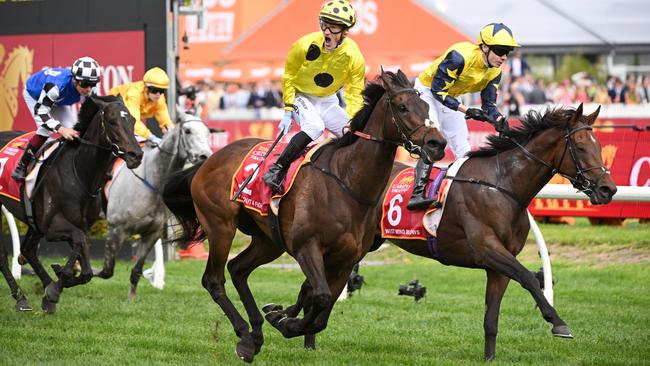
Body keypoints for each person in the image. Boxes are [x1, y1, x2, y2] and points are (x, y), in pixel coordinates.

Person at [408, 23, 519, 210]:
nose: (504, 57)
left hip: (450, 96)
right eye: (500, 51)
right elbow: (437, 91)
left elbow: (489, 105)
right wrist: (466, 110)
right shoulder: (459, 57)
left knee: (464, 150)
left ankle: (466, 196)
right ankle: (416, 195)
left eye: (507, 52)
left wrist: (499, 120)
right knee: (433, 141)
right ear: (484, 47)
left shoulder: (495, 71)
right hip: (427, 91)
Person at [262, 0, 365, 192]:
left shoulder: (353, 55)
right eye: (325, 24)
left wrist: (354, 118)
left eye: (333, 27)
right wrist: (288, 109)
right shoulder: (303, 45)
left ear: (345, 32)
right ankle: (276, 169)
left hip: (328, 101)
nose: (327, 32)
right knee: (315, 127)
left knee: (353, 134)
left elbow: (354, 91)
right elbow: (289, 76)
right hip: (303, 97)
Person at [12, 56, 101, 181]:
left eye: (92, 84)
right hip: (35, 96)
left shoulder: (89, 87)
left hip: (58, 100)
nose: (88, 89)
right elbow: (41, 112)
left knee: (73, 128)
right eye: (85, 84)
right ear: (75, 80)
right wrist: (60, 129)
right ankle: (21, 166)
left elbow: (91, 112)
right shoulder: (55, 85)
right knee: (46, 130)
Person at [108, 67, 173, 145]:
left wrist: (171, 132)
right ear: (146, 88)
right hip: (113, 107)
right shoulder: (134, 94)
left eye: (162, 91)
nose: (158, 94)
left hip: (126, 114)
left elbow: (165, 120)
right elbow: (133, 121)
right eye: (154, 90)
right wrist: (151, 137)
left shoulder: (160, 98)